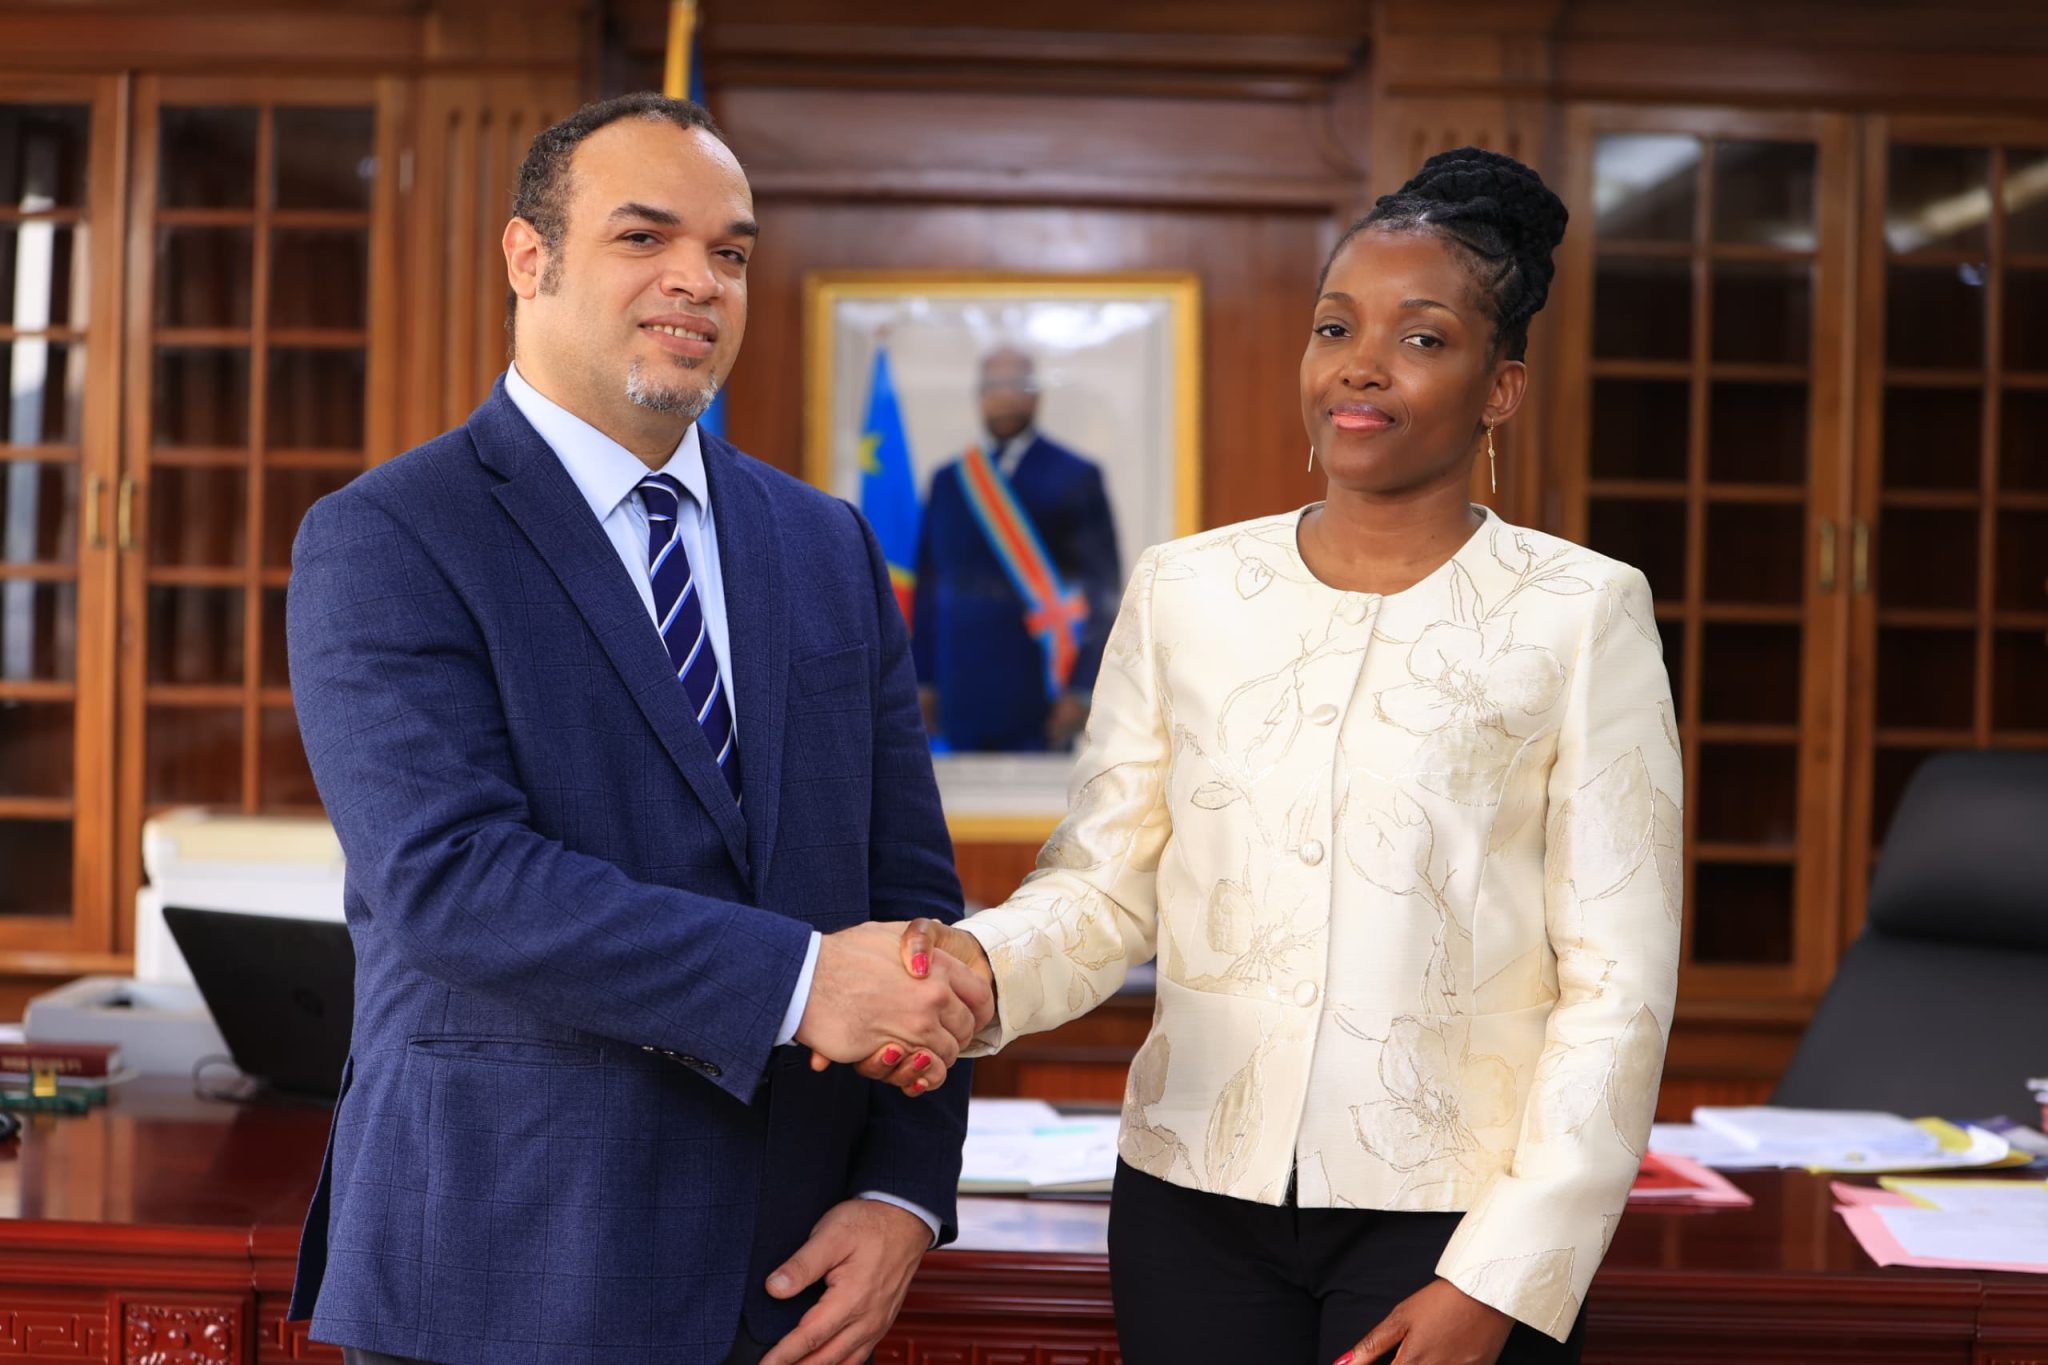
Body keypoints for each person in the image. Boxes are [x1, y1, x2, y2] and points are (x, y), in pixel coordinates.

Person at [873, 148, 1682, 1365]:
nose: (1359, 364)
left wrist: (1506, 1275)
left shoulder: (1582, 611)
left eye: (1420, 338)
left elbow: (1617, 984)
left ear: (1498, 389)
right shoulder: (1185, 588)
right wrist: (975, 968)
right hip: (1191, 1197)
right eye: (1334, 327)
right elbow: (1104, 887)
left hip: (1451, 1220)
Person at [283, 93, 991, 1365]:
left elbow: (912, 906)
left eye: (729, 252)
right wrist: (801, 983)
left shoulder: (826, 545)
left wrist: (902, 1195)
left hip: (788, 1282)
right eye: (643, 237)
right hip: (508, 1271)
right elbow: (452, 882)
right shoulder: (388, 536)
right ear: (528, 257)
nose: (697, 281)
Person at [912, 345, 1121, 752]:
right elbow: (928, 590)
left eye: (1016, 384)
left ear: (1037, 394)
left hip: (1042, 693)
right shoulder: (948, 481)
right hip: (958, 693)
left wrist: (1082, 689)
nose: (1004, 396)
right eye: (993, 386)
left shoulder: (1075, 475)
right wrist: (922, 681)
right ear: (979, 396)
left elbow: (1102, 590)